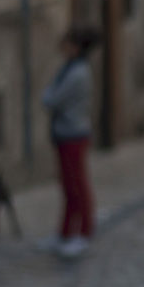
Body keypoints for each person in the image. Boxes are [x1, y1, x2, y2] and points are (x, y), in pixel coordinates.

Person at [40, 26, 100, 259]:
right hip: (65, 134)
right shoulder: (69, 68)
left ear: (76, 47)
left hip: (74, 134)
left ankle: (83, 232)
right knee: (67, 185)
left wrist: (48, 95)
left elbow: (52, 99)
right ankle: (65, 232)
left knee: (77, 185)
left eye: (66, 43)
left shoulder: (78, 73)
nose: (62, 47)